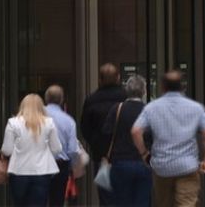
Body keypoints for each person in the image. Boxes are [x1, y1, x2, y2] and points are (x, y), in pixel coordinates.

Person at [132, 70, 205, 207]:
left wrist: (144, 154)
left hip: (162, 167)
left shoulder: (152, 108)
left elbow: (136, 131)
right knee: (187, 203)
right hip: (187, 166)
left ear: (163, 87)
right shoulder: (196, 108)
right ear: (182, 87)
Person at [0, 94, 63, 207]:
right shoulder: (49, 123)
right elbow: (57, 148)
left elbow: (7, 150)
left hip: (18, 171)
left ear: (22, 106)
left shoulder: (13, 123)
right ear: (41, 107)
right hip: (43, 171)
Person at [102, 75, 152, 207]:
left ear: (126, 90)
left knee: (120, 201)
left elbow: (106, 134)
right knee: (142, 201)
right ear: (144, 91)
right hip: (143, 162)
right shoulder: (148, 111)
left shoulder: (117, 109)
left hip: (120, 161)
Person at [80, 63, 126, 205]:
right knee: (125, 196)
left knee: (106, 198)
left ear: (100, 79)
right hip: (126, 155)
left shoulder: (91, 100)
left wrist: (96, 144)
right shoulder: (126, 97)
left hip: (102, 157)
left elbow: (85, 128)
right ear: (118, 78)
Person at [43, 85, 79, 207]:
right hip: (61, 165)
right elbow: (73, 149)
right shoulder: (68, 120)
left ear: (46, 98)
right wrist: (72, 167)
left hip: (39, 163)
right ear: (61, 99)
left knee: (38, 200)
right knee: (57, 201)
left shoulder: (37, 116)